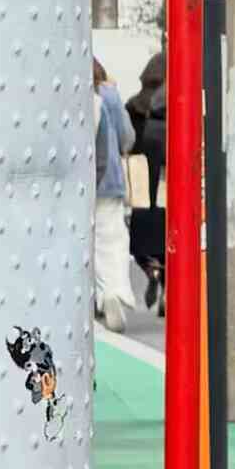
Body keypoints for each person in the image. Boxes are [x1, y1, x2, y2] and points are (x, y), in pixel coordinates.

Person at [93, 58, 137, 333]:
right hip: (110, 179)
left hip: (80, 182)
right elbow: (126, 135)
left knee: (90, 243)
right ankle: (115, 291)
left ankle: (99, 293)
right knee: (114, 239)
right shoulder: (109, 94)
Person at [126, 52, 167, 318]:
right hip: (166, 177)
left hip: (141, 175)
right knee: (168, 235)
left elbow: (128, 141)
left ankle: (150, 269)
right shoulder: (176, 101)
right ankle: (165, 282)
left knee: (140, 236)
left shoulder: (134, 105)